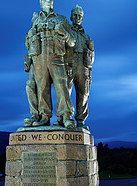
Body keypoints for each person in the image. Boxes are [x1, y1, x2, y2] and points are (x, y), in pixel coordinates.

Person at [25, 0, 76, 129]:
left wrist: (64, 33)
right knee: (42, 88)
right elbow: (28, 44)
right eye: (44, 0)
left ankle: (66, 116)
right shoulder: (35, 21)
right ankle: (44, 116)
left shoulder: (62, 19)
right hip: (39, 58)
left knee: (61, 86)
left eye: (50, 0)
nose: (47, 1)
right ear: (40, 3)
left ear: (53, 3)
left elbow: (72, 43)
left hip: (57, 57)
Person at [65, 5, 95, 130]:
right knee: (65, 92)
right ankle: (65, 117)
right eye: (75, 15)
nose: (77, 17)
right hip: (70, 64)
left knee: (84, 94)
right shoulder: (67, 33)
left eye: (80, 16)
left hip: (83, 66)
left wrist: (91, 51)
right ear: (71, 17)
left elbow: (92, 58)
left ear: (82, 18)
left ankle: (81, 120)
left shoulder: (87, 37)